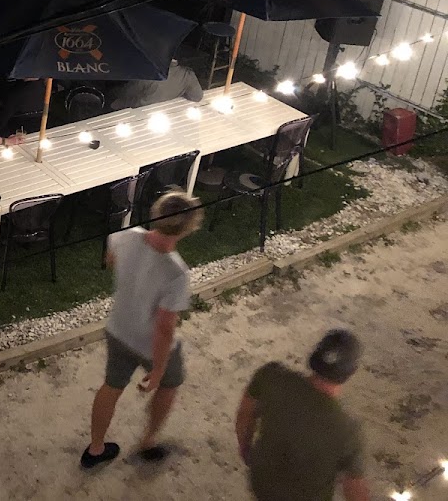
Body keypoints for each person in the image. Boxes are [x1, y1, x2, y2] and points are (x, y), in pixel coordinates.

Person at [82, 190, 204, 469]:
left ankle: (96, 448)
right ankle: (148, 441)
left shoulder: (125, 236)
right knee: (170, 385)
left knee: (111, 386)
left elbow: (110, 260)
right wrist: (158, 369)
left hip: (118, 329)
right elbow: (164, 328)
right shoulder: (177, 273)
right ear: (187, 229)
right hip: (149, 344)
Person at [235, 330, 369, 501]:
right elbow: (354, 489)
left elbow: (245, 414)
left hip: (262, 487)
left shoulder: (270, 377)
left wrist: (245, 450)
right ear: (351, 371)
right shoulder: (348, 430)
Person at [108, 59, 204, 111]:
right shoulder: (187, 74)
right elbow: (197, 97)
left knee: (113, 101)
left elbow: (126, 92)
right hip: (164, 113)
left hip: (140, 110)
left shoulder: (150, 75)